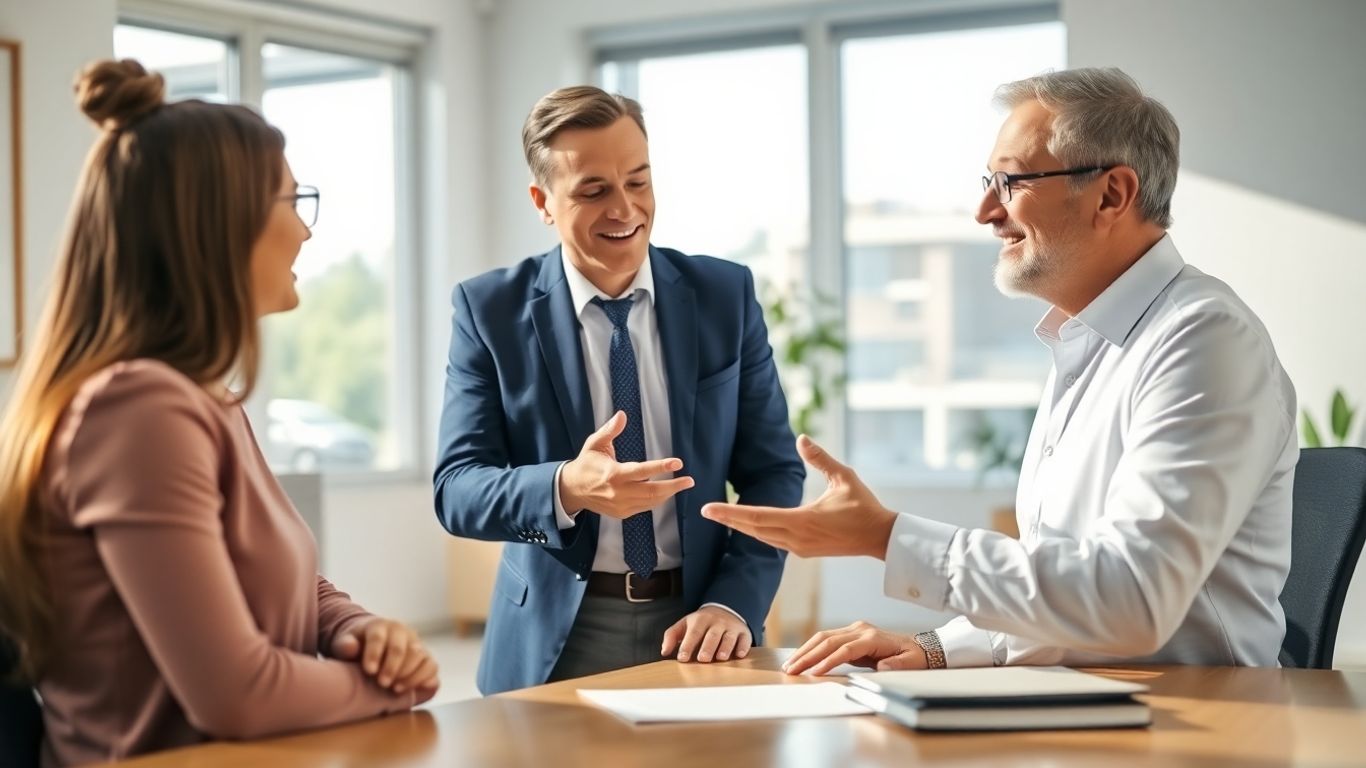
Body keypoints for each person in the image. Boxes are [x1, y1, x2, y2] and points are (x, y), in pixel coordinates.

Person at [704, 67, 1297, 674]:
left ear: (1111, 195)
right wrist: (936, 647)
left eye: (1011, 182)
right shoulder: (1085, 343)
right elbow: (1069, 594)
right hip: (1091, 700)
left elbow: (1132, 599)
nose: (986, 211)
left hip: (1197, 712)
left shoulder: (1203, 338)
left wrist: (885, 536)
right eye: (989, 182)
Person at [0, 59, 438, 766]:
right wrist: (391, 687)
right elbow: (238, 695)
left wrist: (356, 629)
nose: (305, 232)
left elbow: (276, 579)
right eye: (293, 201)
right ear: (218, 227)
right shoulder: (139, 411)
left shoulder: (204, 398)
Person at [434, 86, 805, 694]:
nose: (624, 209)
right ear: (543, 202)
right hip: (554, 637)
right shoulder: (488, 310)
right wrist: (565, 487)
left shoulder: (725, 295)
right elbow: (457, 489)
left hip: (701, 624)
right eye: (594, 191)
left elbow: (774, 472)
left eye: (638, 181)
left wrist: (734, 603)